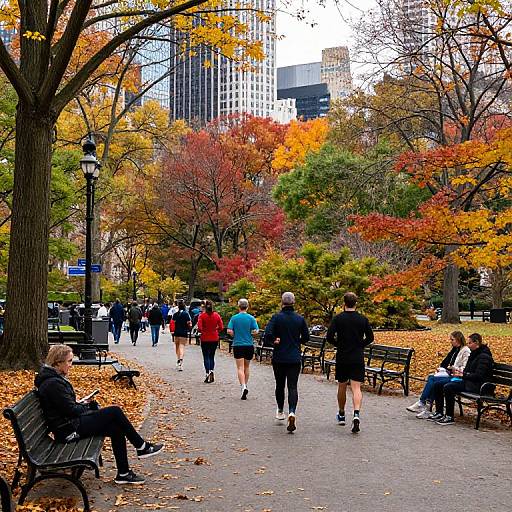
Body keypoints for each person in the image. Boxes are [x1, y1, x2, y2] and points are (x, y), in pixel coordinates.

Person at [35, 344, 163, 484]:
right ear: (58, 363)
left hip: (68, 424)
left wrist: (81, 404)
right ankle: (141, 446)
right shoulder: (53, 384)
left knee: (116, 428)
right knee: (114, 411)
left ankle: (123, 473)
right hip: (69, 430)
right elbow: (71, 410)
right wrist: (87, 406)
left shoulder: (53, 379)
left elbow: (66, 407)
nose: (71, 365)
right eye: (69, 361)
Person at [326, 292, 374, 434]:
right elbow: (370, 337)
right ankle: (356, 413)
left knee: (342, 385)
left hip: (343, 356)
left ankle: (341, 414)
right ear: (356, 303)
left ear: (344, 304)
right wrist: (361, 344)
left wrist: (338, 344)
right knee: (356, 387)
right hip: (357, 356)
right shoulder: (362, 319)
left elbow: (329, 337)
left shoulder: (338, 319)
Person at [265, 292, 308, 432]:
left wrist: (274, 341)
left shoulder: (276, 318)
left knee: (280, 384)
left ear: (282, 302)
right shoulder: (299, 319)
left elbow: (267, 334)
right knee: (293, 386)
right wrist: (297, 341)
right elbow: (306, 337)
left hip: (279, 357)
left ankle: (280, 410)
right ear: (294, 302)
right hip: (294, 357)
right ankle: (292, 412)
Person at [429, 333, 494, 425]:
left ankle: (449, 416)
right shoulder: (474, 354)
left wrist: (463, 375)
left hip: (478, 386)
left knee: (449, 387)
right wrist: (461, 374)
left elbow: (478, 376)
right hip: (468, 382)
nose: (468, 345)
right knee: (438, 384)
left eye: (470, 343)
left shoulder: (484, 357)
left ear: (477, 343)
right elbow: (467, 370)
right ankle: (439, 412)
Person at [407, 331, 470, 418]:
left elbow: (465, 367)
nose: (451, 342)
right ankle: (426, 405)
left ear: (458, 339)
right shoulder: (454, 350)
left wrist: (454, 369)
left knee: (434, 381)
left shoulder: (465, 351)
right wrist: (442, 369)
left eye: (452, 340)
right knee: (432, 378)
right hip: (449, 373)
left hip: (456, 376)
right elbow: (445, 362)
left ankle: (423, 403)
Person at [227, 298, 259, 400]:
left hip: (238, 344)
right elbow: (256, 331)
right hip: (249, 345)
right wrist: (251, 333)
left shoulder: (234, 318)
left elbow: (229, 330)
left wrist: (234, 334)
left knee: (240, 367)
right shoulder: (251, 318)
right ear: (247, 306)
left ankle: (243, 386)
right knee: (247, 367)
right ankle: (245, 385)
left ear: (238, 306)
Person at [197, 300, 224, 383]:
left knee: (206, 356)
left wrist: (202, 330)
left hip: (205, 338)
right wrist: (215, 330)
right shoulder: (217, 315)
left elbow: (200, 328)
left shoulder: (202, 316)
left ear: (205, 307)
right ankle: (212, 370)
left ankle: (207, 372)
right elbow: (221, 327)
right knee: (212, 356)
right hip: (214, 337)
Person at [172, 300, 192, 370]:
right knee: (182, 346)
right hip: (184, 332)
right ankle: (181, 359)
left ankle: (178, 360)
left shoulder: (175, 314)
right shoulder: (186, 314)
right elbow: (189, 323)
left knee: (177, 347)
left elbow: (173, 323)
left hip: (176, 332)